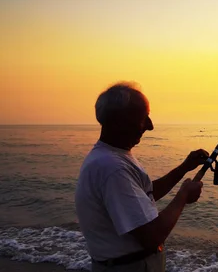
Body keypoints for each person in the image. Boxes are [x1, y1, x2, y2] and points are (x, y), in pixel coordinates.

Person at [75, 81, 207, 271]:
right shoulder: (112, 168)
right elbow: (152, 237)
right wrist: (183, 196)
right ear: (119, 121)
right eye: (143, 118)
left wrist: (184, 168)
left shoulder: (112, 156)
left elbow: (145, 195)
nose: (151, 126)